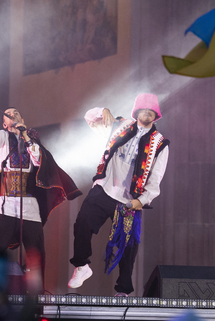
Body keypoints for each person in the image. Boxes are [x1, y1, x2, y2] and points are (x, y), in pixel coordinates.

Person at [0, 94, 81, 288]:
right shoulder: (2, 138)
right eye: (8, 114)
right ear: (4, 124)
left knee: (36, 252)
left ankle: (36, 291)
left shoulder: (32, 141)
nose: (12, 115)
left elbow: (39, 160)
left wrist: (26, 136)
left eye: (16, 113)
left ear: (22, 120)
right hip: (6, 205)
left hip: (30, 207)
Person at [68, 93, 169, 296]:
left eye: (151, 110)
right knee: (82, 223)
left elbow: (156, 179)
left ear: (156, 115)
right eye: (143, 109)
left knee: (128, 247)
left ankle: (123, 291)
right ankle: (81, 266)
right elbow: (89, 118)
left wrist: (140, 201)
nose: (147, 113)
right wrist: (102, 111)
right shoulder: (119, 125)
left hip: (129, 201)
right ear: (136, 111)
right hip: (104, 189)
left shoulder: (160, 143)